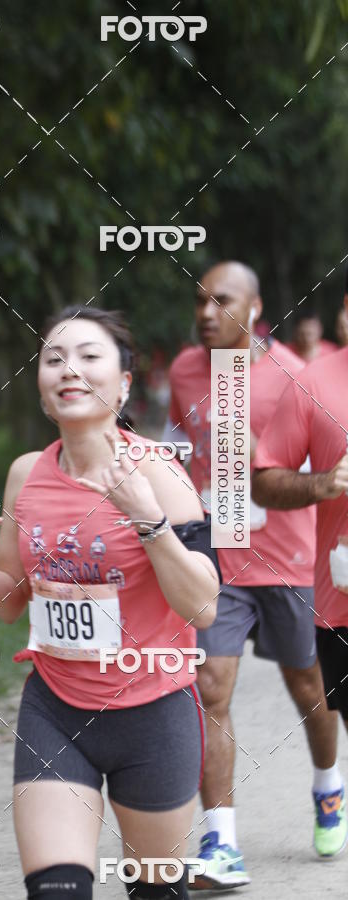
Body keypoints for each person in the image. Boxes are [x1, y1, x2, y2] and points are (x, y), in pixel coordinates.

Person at [0, 306, 221, 899]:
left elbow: (204, 608)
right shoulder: (26, 474)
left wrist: (148, 521)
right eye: (54, 359)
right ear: (42, 386)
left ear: (123, 383)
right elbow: (12, 603)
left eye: (89, 356)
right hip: (56, 711)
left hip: (155, 712)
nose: (69, 369)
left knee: (155, 892)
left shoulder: (159, 471)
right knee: (56, 891)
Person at [164, 261, 344, 889]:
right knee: (210, 686)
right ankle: (222, 842)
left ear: (256, 307)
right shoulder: (185, 372)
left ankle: (327, 783)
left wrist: (262, 464)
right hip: (217, 556)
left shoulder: (295, 376)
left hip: (288, 558)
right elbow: (180, 451)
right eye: (199, 301)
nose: (206, 313)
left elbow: (319, 468)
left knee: (309, 686)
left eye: (221, 301)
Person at [252, 275, 348, 858]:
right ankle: (328, 788)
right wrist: (322, 483)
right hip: (342, 599)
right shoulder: (312, 382)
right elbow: (263, 482)